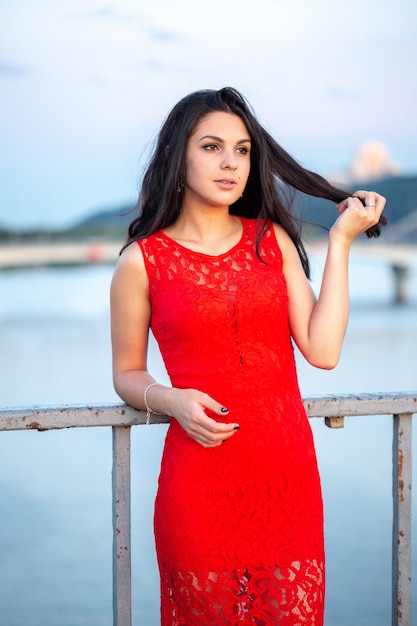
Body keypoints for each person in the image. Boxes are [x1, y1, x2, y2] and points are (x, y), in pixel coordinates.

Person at [110, 87, 386, 625]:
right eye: (212, 147)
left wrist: (342, 243)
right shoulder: (142, 262)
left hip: (286, 479)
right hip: (199, 482)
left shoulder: (272, 241)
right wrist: (172, 400)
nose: (231, 162)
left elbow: (323, 350)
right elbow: (126, 373)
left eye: (242, 150)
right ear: (177, 156)